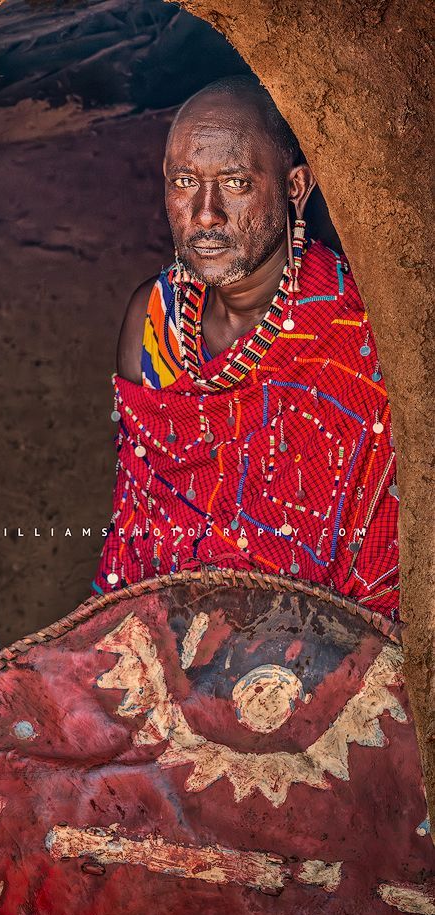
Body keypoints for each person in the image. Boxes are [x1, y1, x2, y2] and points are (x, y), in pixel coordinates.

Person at [93, 76, 399, 620]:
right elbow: (137, 527)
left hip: (316, 662)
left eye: (235, 183)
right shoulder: (153, 322)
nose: (205, 213)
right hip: (167, 645)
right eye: (185, 181)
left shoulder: (360, 334)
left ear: (295, 188)